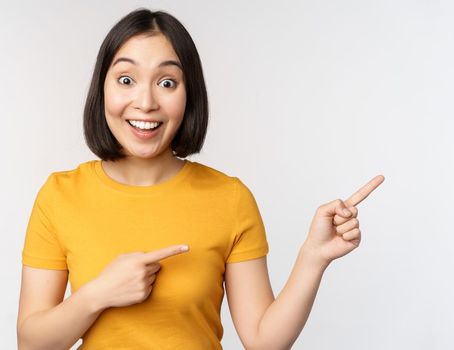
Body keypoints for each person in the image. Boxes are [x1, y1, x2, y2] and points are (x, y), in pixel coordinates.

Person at [16, 8, 384, 349]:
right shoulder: (60, 196)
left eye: (167, 82)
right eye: (126, 79)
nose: (145, 102)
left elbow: (263, 340)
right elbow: (31, 343)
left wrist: (313, 257)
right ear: (102, 89)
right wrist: (98, 294)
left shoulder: (229, 198)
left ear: (189, 95)